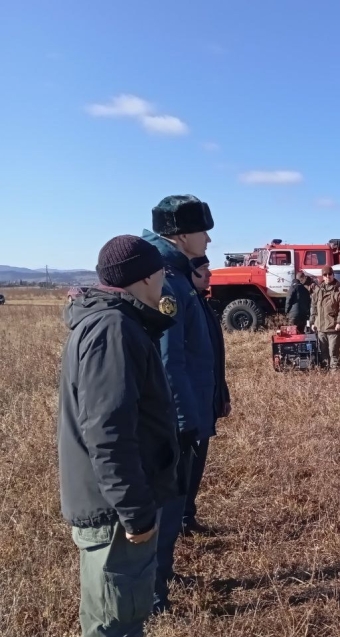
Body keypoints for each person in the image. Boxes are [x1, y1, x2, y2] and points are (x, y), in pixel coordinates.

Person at [58, 235, 179, 637]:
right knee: (117, 621)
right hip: (115, 513)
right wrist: (135, 511)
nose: (164, 279)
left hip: (111, 505)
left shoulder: (112, 322)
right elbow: (108, 432)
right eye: (161, 271)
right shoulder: (114, 329)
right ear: (146, 277)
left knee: (111, 614)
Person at [142, 194, 216, 613]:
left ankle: (160, 575)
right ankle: (154, 596)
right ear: (182, 235)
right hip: (175, 417)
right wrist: (187, 419)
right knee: (166, 503)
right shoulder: (168, 280)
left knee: (171, 503)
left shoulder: (171, 273)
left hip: (185, 408)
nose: (208, 239)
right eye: (203, 231)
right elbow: (170, 360)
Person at [182, 255, 231, 537]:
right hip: (191, 399)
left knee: (197, 461)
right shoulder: (185, 302)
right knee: (186, 464)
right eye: (203, 270)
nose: (210, 274)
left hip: (204, 395)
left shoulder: (199, 302)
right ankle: (181, 520)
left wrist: (220, 393)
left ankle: (187, 516)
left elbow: (213, 357)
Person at [310, 265, 340, 369]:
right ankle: (326, 374)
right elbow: (313, 307)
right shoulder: (318, 290)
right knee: (323, 352)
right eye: (325, 275)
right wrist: (312, 321)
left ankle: (335, 375)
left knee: (333, 352)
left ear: (333, 275)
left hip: (333, 328)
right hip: (321, 327)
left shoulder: (339, 290)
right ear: (322, 276)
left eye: (330, 274)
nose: (328, 277)